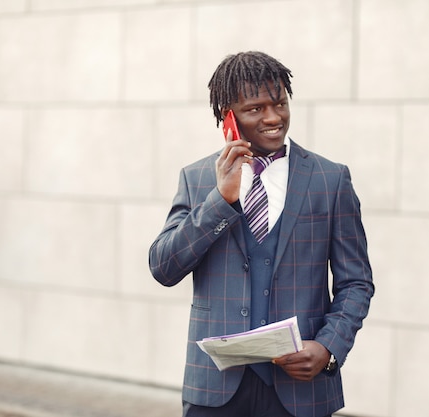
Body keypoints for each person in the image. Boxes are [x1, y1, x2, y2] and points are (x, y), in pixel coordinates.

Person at [149, 51, 374, 417]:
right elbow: (164, 267)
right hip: (215, 390)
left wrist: (329, 348)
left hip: (301, 389)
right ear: (229, 118)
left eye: (280, 103)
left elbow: (357, 282)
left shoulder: (330, 180)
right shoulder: (197, 179)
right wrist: (220, 200)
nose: (273, 118)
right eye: (255, 109)